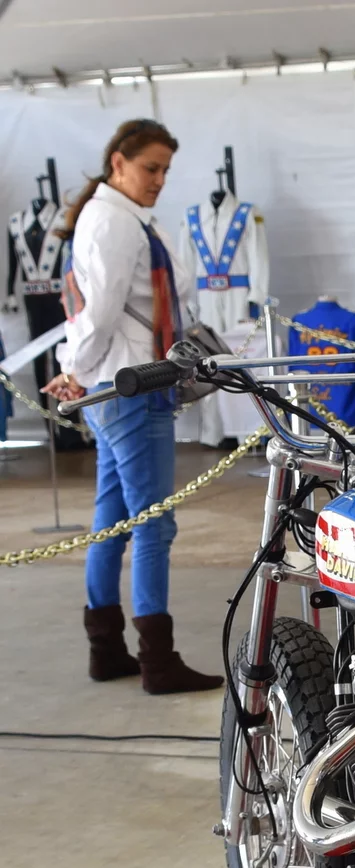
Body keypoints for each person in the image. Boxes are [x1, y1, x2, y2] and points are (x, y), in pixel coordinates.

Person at [44, 118, 222, 694]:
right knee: (152, 524)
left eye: (166, 169)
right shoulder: (115, 222)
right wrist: (74, 371)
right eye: (151, 168)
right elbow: (97, 312)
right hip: (131, 387)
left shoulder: (116, 217)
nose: (160, 180)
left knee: (113, 520)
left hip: (123, 383)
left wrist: (79, 371)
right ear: (118, 162)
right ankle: (157, 660)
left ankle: (108, 649)